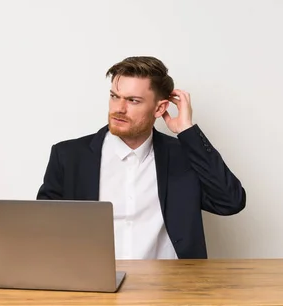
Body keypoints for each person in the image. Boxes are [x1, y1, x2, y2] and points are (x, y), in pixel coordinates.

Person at [36, 56, 246, 260]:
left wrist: (187, 131)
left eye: (133, 100)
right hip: (94, 288)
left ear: (160, 108)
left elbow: (230, 202)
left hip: (172, 290)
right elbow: (44, 230)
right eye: (114, 96)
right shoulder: (69, 156)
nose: (119, 108)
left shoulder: (184, 155)